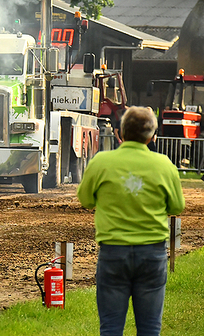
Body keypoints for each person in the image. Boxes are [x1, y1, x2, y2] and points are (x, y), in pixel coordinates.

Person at [77, 106, 185, 336]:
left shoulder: (101, 162)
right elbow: (177, 207)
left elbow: (85, 200)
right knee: (149, 328)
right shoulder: (164, 165)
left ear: (120, 133)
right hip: (152, 253)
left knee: (111, 327)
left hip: (113, 252)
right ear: (152, 135)